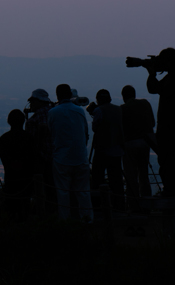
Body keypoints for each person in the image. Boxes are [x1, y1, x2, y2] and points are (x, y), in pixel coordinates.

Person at [47, 84, 92, 221]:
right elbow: (85, 133)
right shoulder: (79, 110)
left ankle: (65, 221)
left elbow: (51, 135)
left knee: (63, 193)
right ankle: (87, 220)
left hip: (61, 158)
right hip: (80, 156)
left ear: (57, 95)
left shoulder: (53, 112)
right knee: (83, 192)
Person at [144, 47, 175, 196]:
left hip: (167, 124)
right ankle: (172, 189)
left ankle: (171, 190)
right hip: (170, 123)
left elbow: (153, 88)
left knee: (166, 159)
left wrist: (151, 73)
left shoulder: (173, 77)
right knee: (168, 158)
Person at [120, 85, 155, 212]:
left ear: (124, 96)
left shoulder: (123, 109)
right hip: (145, 144)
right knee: (144, 175)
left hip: (129, 145)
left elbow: (120, 129)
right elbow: (152, 123)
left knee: (131, 177)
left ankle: (133, 206)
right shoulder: (145, 103)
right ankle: (147, 205)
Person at [89, 89, 124, 210]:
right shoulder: (118, 109)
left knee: (97, 177)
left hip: (102, 149)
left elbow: (95, 128)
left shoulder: (99, 110)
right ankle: (119, 205)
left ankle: (98, 205)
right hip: (117, 148)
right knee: (116, 179)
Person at [0, 109, 35, 219]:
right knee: (25, 204)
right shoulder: (29, 138)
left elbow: (3, 157)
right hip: (26, 177)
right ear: (23, 121)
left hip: (10, 177)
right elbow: (33, 157)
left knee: (11, 206)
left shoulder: (4, 138)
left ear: (9, 121)